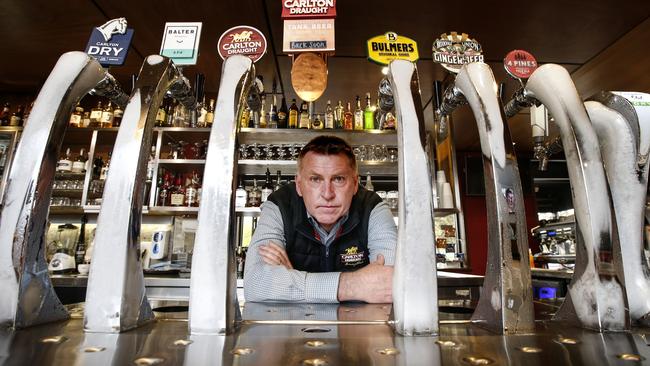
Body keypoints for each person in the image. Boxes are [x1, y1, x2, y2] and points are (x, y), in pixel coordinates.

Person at [243, 135, 397, 303]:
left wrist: (292, 279)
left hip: (358, 327)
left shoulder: (372, 207)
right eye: (315, 179)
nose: (327, 194)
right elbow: (255, 285)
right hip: (293, 327)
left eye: (338, 179)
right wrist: (352, 286)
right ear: (299, 185)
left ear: (354, 184)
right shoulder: (279, 205)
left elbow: (392, 283)